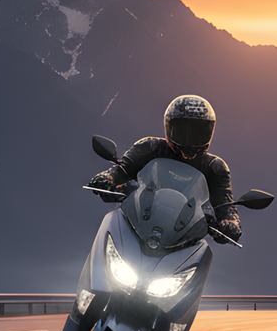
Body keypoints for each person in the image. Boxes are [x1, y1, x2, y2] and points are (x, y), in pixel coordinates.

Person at [89, 94, 241, 242]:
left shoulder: (214, 167)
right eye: (182, 129)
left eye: (198, 131)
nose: (189, 138)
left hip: (184, 238)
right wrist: (106, 177)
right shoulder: (149, 147)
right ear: (169, 127)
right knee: (109, 231)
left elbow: (225, 205)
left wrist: (230, 223)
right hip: (135, 223)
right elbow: (122, 170)